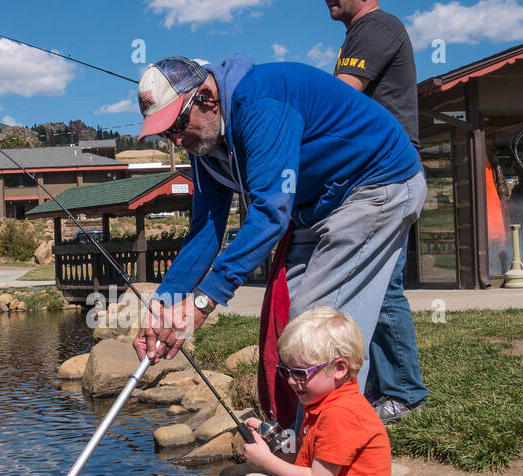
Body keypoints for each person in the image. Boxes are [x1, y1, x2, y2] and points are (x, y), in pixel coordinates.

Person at [131, 54, 426, 403]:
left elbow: (269, 213)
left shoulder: (261, 101)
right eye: (166, 134)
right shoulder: (204, 144)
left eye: (177, 125)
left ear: (207, 97)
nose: (176, 141)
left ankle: (336, 434)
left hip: (377, 183)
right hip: (317, 205)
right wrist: (163, 303)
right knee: (288, 319)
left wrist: (202, 301)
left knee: (314, 327)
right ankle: (308, 429)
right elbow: (206, 227)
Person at [156, 307, 392, 476]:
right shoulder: (323, 401)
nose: (291, 381)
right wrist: (276, 439)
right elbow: (303, 458)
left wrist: (267, 461)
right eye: (287, 372)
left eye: (300, 373)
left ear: (340, 368)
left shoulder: (342, 413)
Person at [321, 0, 427, 424]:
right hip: (378, 171)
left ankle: (402, 393)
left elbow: (341, 98)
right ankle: (389, 389)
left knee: (383, 286)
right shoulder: (359, 33)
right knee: (382, 283)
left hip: (388, 172)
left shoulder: (376, 28)